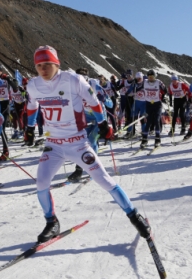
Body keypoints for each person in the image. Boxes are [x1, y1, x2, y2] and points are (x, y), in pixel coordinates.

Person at [24, 46, 151, 243]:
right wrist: (30, 128)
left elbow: (94, 102)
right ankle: (51, 222)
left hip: (77, 143)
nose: (43, 69)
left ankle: (134, 216)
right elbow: (31, 106)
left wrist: (102, 124)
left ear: (56, 63)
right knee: (41, 182)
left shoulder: (73, 80)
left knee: (104, 180)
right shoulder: (33, 85)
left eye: (47, 64)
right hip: (54, 144)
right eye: (39, 65)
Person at [0, 63, 19, 160]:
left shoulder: (5, 78)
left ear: (1, 71)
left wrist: (10, 80)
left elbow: (15, 87)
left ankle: (5, 150)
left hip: (5, 104)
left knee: (1, 129)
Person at [142, 69, 167, 148]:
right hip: (148, 104)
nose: (151, 78)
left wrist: (162, 96)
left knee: (156, 120)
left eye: (152, 77)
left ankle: (157, 138)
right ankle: (144, 139)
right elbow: (138, 85)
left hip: (157, 104)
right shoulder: (145, 82)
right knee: (148, 121)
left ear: (155, 77)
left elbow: (165, 90)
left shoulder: (158, 82)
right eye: (149, 77)